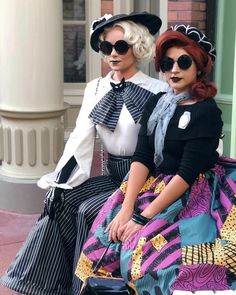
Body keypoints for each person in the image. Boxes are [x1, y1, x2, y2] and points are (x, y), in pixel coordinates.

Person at [0, 12, 168, 295]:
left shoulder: (157, 90)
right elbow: (79, 139)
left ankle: (83, 287)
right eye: (106, 48)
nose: (112, 54)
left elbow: (160, 150)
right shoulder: (96, 88)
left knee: (87, 210)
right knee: (62, 201)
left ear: (137, 46)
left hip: (145, 179)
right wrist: (59, 183)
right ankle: (49, 283)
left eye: (121, 47)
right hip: (113, 173)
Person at [75, 24, 236, 295]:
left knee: (162, 262)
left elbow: (186, 174)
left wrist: (140, 218)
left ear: (198, 67)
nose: (174, 69)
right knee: (104, 240)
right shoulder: (157, 103)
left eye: (183, 62)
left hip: (194, 193)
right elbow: (143, 157)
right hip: (154, 184)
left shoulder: (206, 111)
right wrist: (127, 208)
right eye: (167, 62)